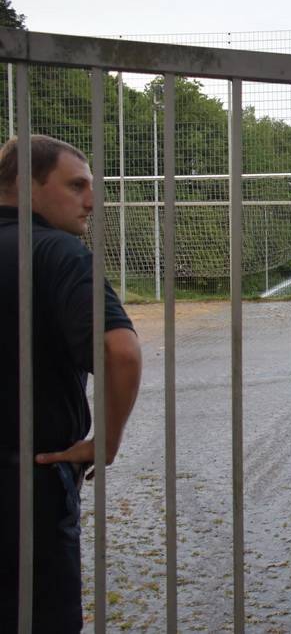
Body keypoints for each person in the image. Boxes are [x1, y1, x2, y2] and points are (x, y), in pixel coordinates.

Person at [0, 135, 142, 632]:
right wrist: (106, 439)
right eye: (77, 185)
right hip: (29, 483)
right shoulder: (57, 253)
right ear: (25, 185)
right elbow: (120, 353)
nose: (91, 200)